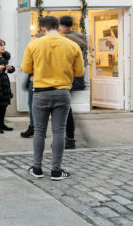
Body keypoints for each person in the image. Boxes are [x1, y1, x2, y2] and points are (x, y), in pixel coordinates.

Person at [21, 15, 84, 181]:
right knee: (59, 131)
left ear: (43, 28)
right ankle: (56, 170)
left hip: (41, 92)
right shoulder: (72, 45)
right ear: (58, 26)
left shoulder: (34, 44)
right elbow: (79, 72)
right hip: (62, 92)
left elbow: (26, 68)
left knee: (39, 132)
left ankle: (37, 168)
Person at [59, 15, 88, 149]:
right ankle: (71, 135)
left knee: (66, 109)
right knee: (67, 108)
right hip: (76, 77)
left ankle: (70, 138)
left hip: (69, 77)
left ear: (62, 25)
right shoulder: (79, 37)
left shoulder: (67, 39)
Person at [19, 26, 45, 138]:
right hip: (41, 82)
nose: (32, 42)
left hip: (36, 82)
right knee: (38, 107)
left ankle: (34, 128)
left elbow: (28, 67)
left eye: (34, 40)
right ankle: (37, 128)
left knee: (34, 106)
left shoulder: (37, 50)